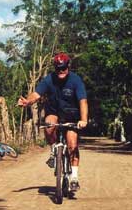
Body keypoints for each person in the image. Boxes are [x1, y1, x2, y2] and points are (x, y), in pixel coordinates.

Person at [18, 52, 88, 191]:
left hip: (71, 115)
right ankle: (53, 149)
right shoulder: (49, 79)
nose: (61, 71)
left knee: (72, 145)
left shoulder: (75, 80)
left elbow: (83, 101)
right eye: (58, 68)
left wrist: (83, 119)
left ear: (68, 66)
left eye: (63, 68)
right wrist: (28, 101)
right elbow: (36, 94)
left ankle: (74, 177)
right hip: (54, 112)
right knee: (49, 126)